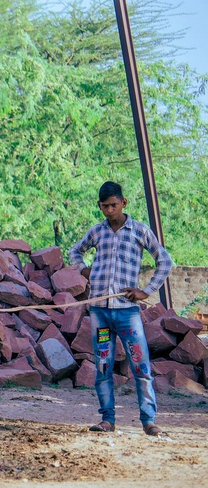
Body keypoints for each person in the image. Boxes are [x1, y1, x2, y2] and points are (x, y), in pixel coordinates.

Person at [68, 181, 173, 437]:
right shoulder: (97, 232)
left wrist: (146, 291)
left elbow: (165, 260)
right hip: (100, 313)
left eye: (114, 205)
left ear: (124, 203)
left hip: (127, 312)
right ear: (99, 206)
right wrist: (83, 269)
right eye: (104, 206)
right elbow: (74, 251)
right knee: (103, 366)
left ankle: (149, 420)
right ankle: (107, 419)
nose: (109, 211)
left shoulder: (139, 231)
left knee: (140, 364)